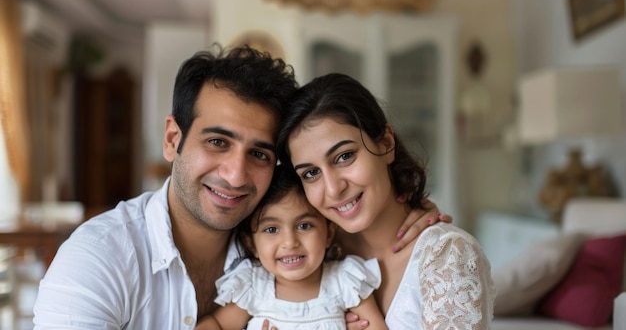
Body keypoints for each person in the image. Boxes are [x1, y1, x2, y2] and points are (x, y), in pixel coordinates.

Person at [32, 46, 444, 330]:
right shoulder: (97, 260)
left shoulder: (282, 237)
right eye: (217, 142)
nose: (235, 175)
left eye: (260, 154)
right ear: (173, 139)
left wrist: (411, 210)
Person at [277, 73, 496, 329]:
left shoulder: (446, 256)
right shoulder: (313, 254)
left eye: (344, 156)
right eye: (311, 173)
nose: (333, 189)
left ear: (386, 144)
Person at [196, 165, 388, 330]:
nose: (290, 242)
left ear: (329, 233)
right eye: (271, 229)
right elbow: (216, 324)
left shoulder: (346, 283)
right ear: (251, 243)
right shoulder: (254, 287)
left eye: (304, 226)